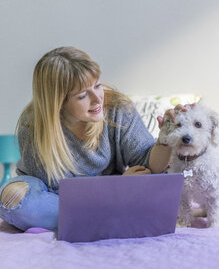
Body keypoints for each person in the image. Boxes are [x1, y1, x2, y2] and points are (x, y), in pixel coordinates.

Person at [0, 46, 185, 232]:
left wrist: (165, 139)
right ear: (59, 103)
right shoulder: (33, 125)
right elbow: (51, 192)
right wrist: (117, 190)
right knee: (10, 200)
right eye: (82, 95)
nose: (97, 99)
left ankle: (89, 219)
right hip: (60, 196)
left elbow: (149, 168)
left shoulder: (119, 109)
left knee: (157, 187)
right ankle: (109, 215)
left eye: (97, 85)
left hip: (86, 202)